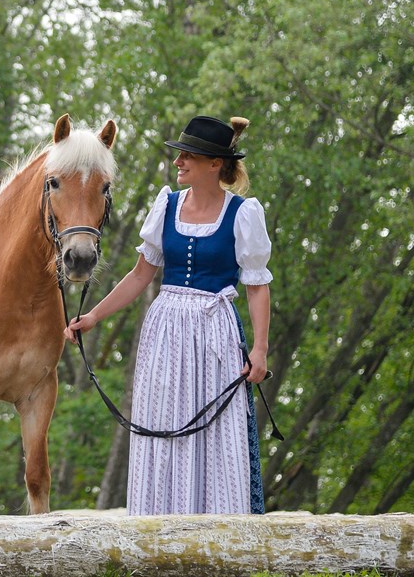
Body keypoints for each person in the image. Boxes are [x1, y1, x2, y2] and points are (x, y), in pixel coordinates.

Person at [64, 115, 272, 515]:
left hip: (216, 331)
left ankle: (222, 530)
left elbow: (257, 286)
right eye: (179, 156)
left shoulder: (243, 213)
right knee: (162, 420)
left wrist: (259, 350)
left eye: (187, 156)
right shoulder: (168, 205)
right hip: (166, 331)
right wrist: (92, 316)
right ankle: (156, 527)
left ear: (215, 164)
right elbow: (141, 274)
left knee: (217, 430)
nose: (178, 162)